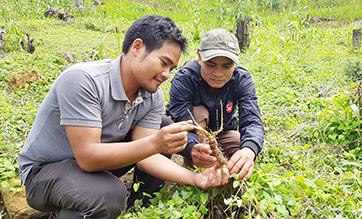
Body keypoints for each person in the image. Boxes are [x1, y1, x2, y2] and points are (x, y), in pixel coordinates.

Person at [18, 15, 229, 219]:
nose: (166, 74)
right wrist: (156, 142)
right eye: (163, 62)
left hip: (96, 165)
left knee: (161, 127)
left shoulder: (152, 95)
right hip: (45, 173)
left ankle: (141, 203)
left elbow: (146, 154)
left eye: (171, 68)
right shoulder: (83, 80)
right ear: (137, 47)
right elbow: (88, 157)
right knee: (109, 194)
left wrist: (195, 178)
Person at [166, 29, 264, 181]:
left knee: (242, 147)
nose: (218, 73)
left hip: (224, 132)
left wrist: (249, 149)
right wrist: (191, 148)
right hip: (193, 134)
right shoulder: (185, 79)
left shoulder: (241, 80)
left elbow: (252, 119)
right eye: (211, 65)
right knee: (199, 112)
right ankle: (194, 161)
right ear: (200, 57)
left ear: (235, 63)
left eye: (226, 66)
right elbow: (178, 120)